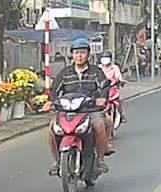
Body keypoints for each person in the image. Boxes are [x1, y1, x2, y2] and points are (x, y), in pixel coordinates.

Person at [44, 38, 112, 176]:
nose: (79, 56)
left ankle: (100, 160)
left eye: (82, 52)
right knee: (52, 130)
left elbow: (104, 86)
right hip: (67, 111)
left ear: (88, 55)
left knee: (99, 125)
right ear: (72, 55)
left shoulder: (96, 72)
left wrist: (102, 98)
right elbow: (54, 90)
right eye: (76, 53)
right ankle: (57, 162)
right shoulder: (64, 73)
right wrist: (50, 102)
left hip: (90, 110)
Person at [100, 52, 127, 124]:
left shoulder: (115, 67)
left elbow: (119, 76)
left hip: (112, 87)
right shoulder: (99, 68)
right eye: (103, 58)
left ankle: (121, 114)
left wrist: (120, 81)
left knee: (118, 101)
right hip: (101, 89)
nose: (105, 60)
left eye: (107, 58)